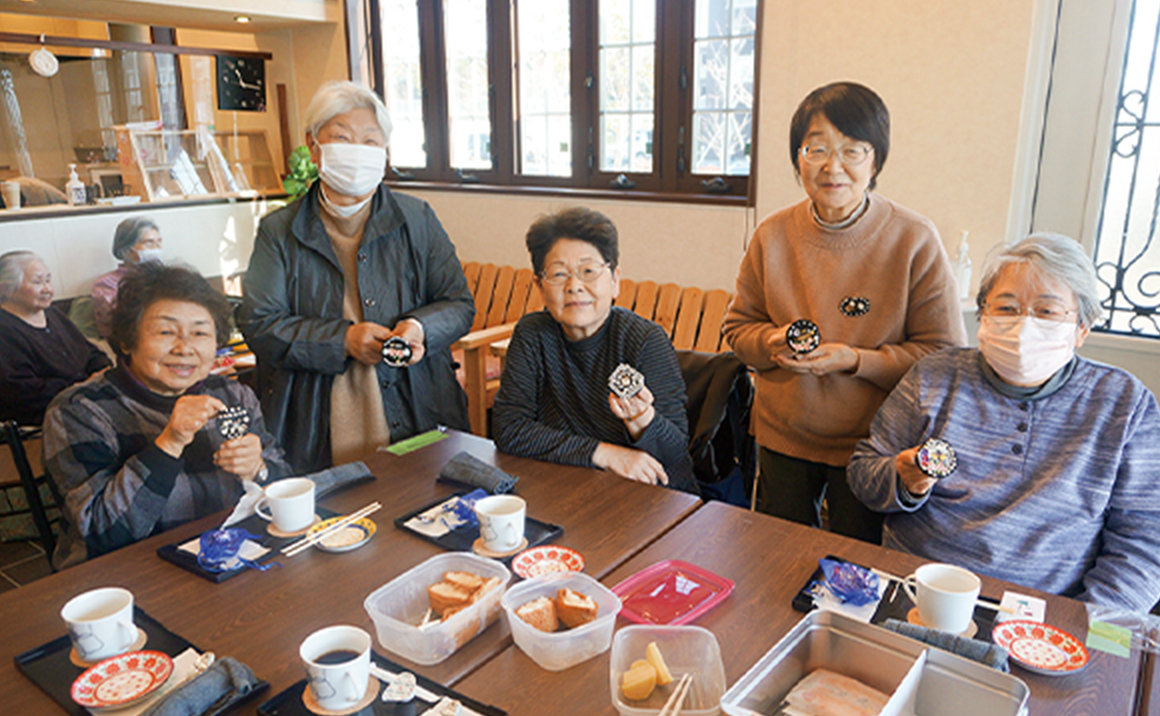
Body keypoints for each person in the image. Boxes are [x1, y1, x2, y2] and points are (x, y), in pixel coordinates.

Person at [848, 234, 1160, 612]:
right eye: (1007, 308)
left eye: (1046, 312)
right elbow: (864, 471)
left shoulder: (1124, 403)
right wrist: (903, 481)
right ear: (983, 316)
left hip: (1047, 609)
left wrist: (1092, 622)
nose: (1023, 327)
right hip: (921, 587)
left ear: (1082, 327)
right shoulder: (934, 375)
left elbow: (1145, 538)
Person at [722, 82, 966, 543]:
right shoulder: (772, 234)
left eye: (852, 150)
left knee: (857, 570)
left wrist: (854, 360)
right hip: (782, 435)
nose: (833, 166)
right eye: (816, 149)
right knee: (774, 557)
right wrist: (771, 343)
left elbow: (943, 356)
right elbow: (737, 329)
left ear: (876, 161)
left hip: (873, 447)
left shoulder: (913, 238)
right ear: (799, 158)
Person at [242, 81, 474, 474]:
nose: (357, 151)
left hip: (417, 400)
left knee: (423, 506)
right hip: (315, 413)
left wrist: (419, 326)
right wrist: (342, 340)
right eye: (342, 138)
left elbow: (458, 304)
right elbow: (260, 324)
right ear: (314, 147)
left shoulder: (416, 219)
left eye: (370, 141)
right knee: (336, 521)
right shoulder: (279, 230)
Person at [43, 263, 291, 569]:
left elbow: (283, 483)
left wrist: (259, 468)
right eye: (165, 331)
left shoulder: (232, 396)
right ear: (126, 340)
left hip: (227, 559)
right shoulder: (79, 410)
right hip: (128, 578)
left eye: (200, 332)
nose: (185, 348)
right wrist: (169, 443)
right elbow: (100, 533)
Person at [492, 207, 697, 494]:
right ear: (539, 285)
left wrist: (642, 421)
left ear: (614, 280)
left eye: (588, 271)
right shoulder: (532, 334)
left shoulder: (645, 340)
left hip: (650, 496)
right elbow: (508, 428)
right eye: (559, 274)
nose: (575, 286)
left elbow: (674, 454)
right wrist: (604, 453)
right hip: (569, 486)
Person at [0, 251, 111, 426]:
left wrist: (102, 370)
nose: (47, 289)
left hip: (85, 398)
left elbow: (89, 352)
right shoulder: (4, 329)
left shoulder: (53, 314)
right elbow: (20, 392)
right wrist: (80, 387)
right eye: (37, 282)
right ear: (5, 289)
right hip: (48, 417)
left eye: (48, 280)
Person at [92, 216, 164, 338]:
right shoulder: (106, 284)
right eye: (149, 243)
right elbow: (120, 323)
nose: (156, 249)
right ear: (126, 250)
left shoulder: (163, 276)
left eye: (158, 243)